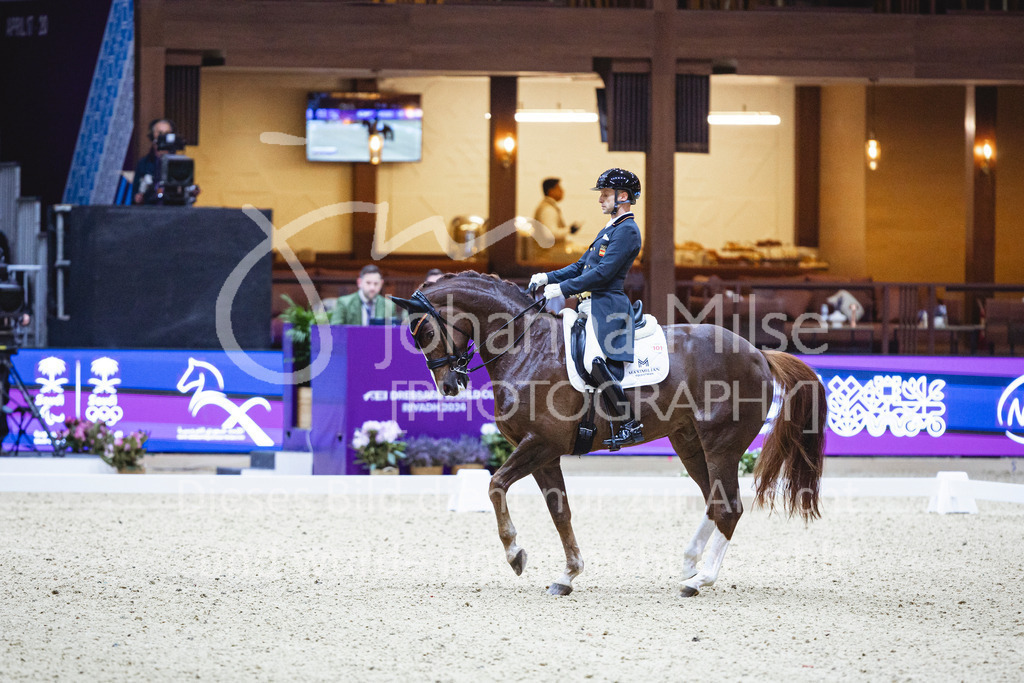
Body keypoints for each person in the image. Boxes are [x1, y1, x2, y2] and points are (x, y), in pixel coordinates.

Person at [528, 168, 643, 450]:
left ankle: (629, 422)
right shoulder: (610, 227)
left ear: (623, 196)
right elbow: (581, 266)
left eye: (605, 194)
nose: (600, 199)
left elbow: (603, 273)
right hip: (588, 304)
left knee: (593, 357)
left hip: (608, 306)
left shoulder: (627, 230)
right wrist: (549, 277)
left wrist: (563, 289)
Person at [329, 264, 402, 325]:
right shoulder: (344, 303)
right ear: (359, 282)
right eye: (368, 283)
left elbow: (391, 333)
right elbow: (336, 330)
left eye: (376, 283)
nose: (372, 287)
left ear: (381, 284)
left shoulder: (389, 305)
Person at [531, 177, 580, 260]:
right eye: (559, 188)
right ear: (551, 191)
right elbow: (550, 234)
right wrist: (569, 230)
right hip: (548, 255)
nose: (562, 191)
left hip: (549, 254)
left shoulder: (547, 206)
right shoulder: (548, 209)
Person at [132, 118, 175, 205]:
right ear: (152, 136)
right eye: (160, 133)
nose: (163, 137)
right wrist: (138, 197)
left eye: (166, 133)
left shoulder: (179, 163)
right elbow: (135, 194)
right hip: (149, 211)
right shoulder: (143, 163)